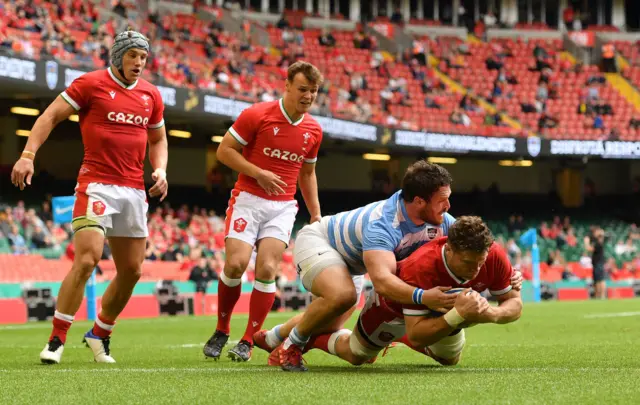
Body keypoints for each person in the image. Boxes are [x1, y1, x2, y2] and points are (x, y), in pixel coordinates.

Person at [11, 30, 168, 364]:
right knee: (87, 259)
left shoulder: (151, 95)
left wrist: (161, 170)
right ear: (118, 56)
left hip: (134, 191)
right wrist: (27, 154)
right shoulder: (90, 84)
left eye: (143, 57)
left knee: (133, 271)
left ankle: (99, 334)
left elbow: (158, 140)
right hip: (96, 185)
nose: (139, 63)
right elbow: (50, 116)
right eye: (133, 56)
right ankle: (56, 339)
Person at [255, 161, 460, 372]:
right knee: (342, 296)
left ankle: (273, 337)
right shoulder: (384, 223)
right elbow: (382, 282)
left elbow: (470, 240)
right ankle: (291, 346)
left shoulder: (440, 219)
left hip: (351, 263)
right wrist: (424, 297)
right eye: (442, 201)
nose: (448, 207)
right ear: (418, 201)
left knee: (329, 324)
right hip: (319, 241)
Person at [202, 61, 324, 362]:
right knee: (236, 264)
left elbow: (307, 174)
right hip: (248, 199)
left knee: (268, 269)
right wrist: (259, 173)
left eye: (313, 91)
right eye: (302, 89)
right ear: (287, 86)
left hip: (282, 206)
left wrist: (316, 214)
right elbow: (225, 151)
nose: (307, 96)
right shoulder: (257, 114)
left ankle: (248, 340)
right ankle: (221, 329)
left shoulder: (313, 130)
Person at [307, 216, 523, 367]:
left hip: (440, 311)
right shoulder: (421, 266)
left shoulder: (494, 254)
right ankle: (313, 337)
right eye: (468, 262)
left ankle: (400, 337)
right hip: (394, 305)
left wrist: (490, 313)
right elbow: (418, 337)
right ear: (449, 249)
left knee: (449, 360)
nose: (476, 270)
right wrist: (459, 314)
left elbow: (514, 304)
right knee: (356, 354)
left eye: (481, 262)